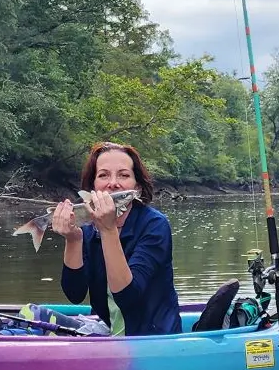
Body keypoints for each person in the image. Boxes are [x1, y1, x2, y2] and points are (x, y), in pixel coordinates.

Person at [53, 141, 182, 336]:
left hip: (151, 338)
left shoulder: (155, 225)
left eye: (124, 175)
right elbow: (75, 294)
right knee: (30, 312)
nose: (113, 183)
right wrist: (73, 241)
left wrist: (108, 230)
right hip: (111, 331)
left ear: (137, 187)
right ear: (93, 187)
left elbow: (128, 298)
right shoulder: (88, 230)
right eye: (103, 175)